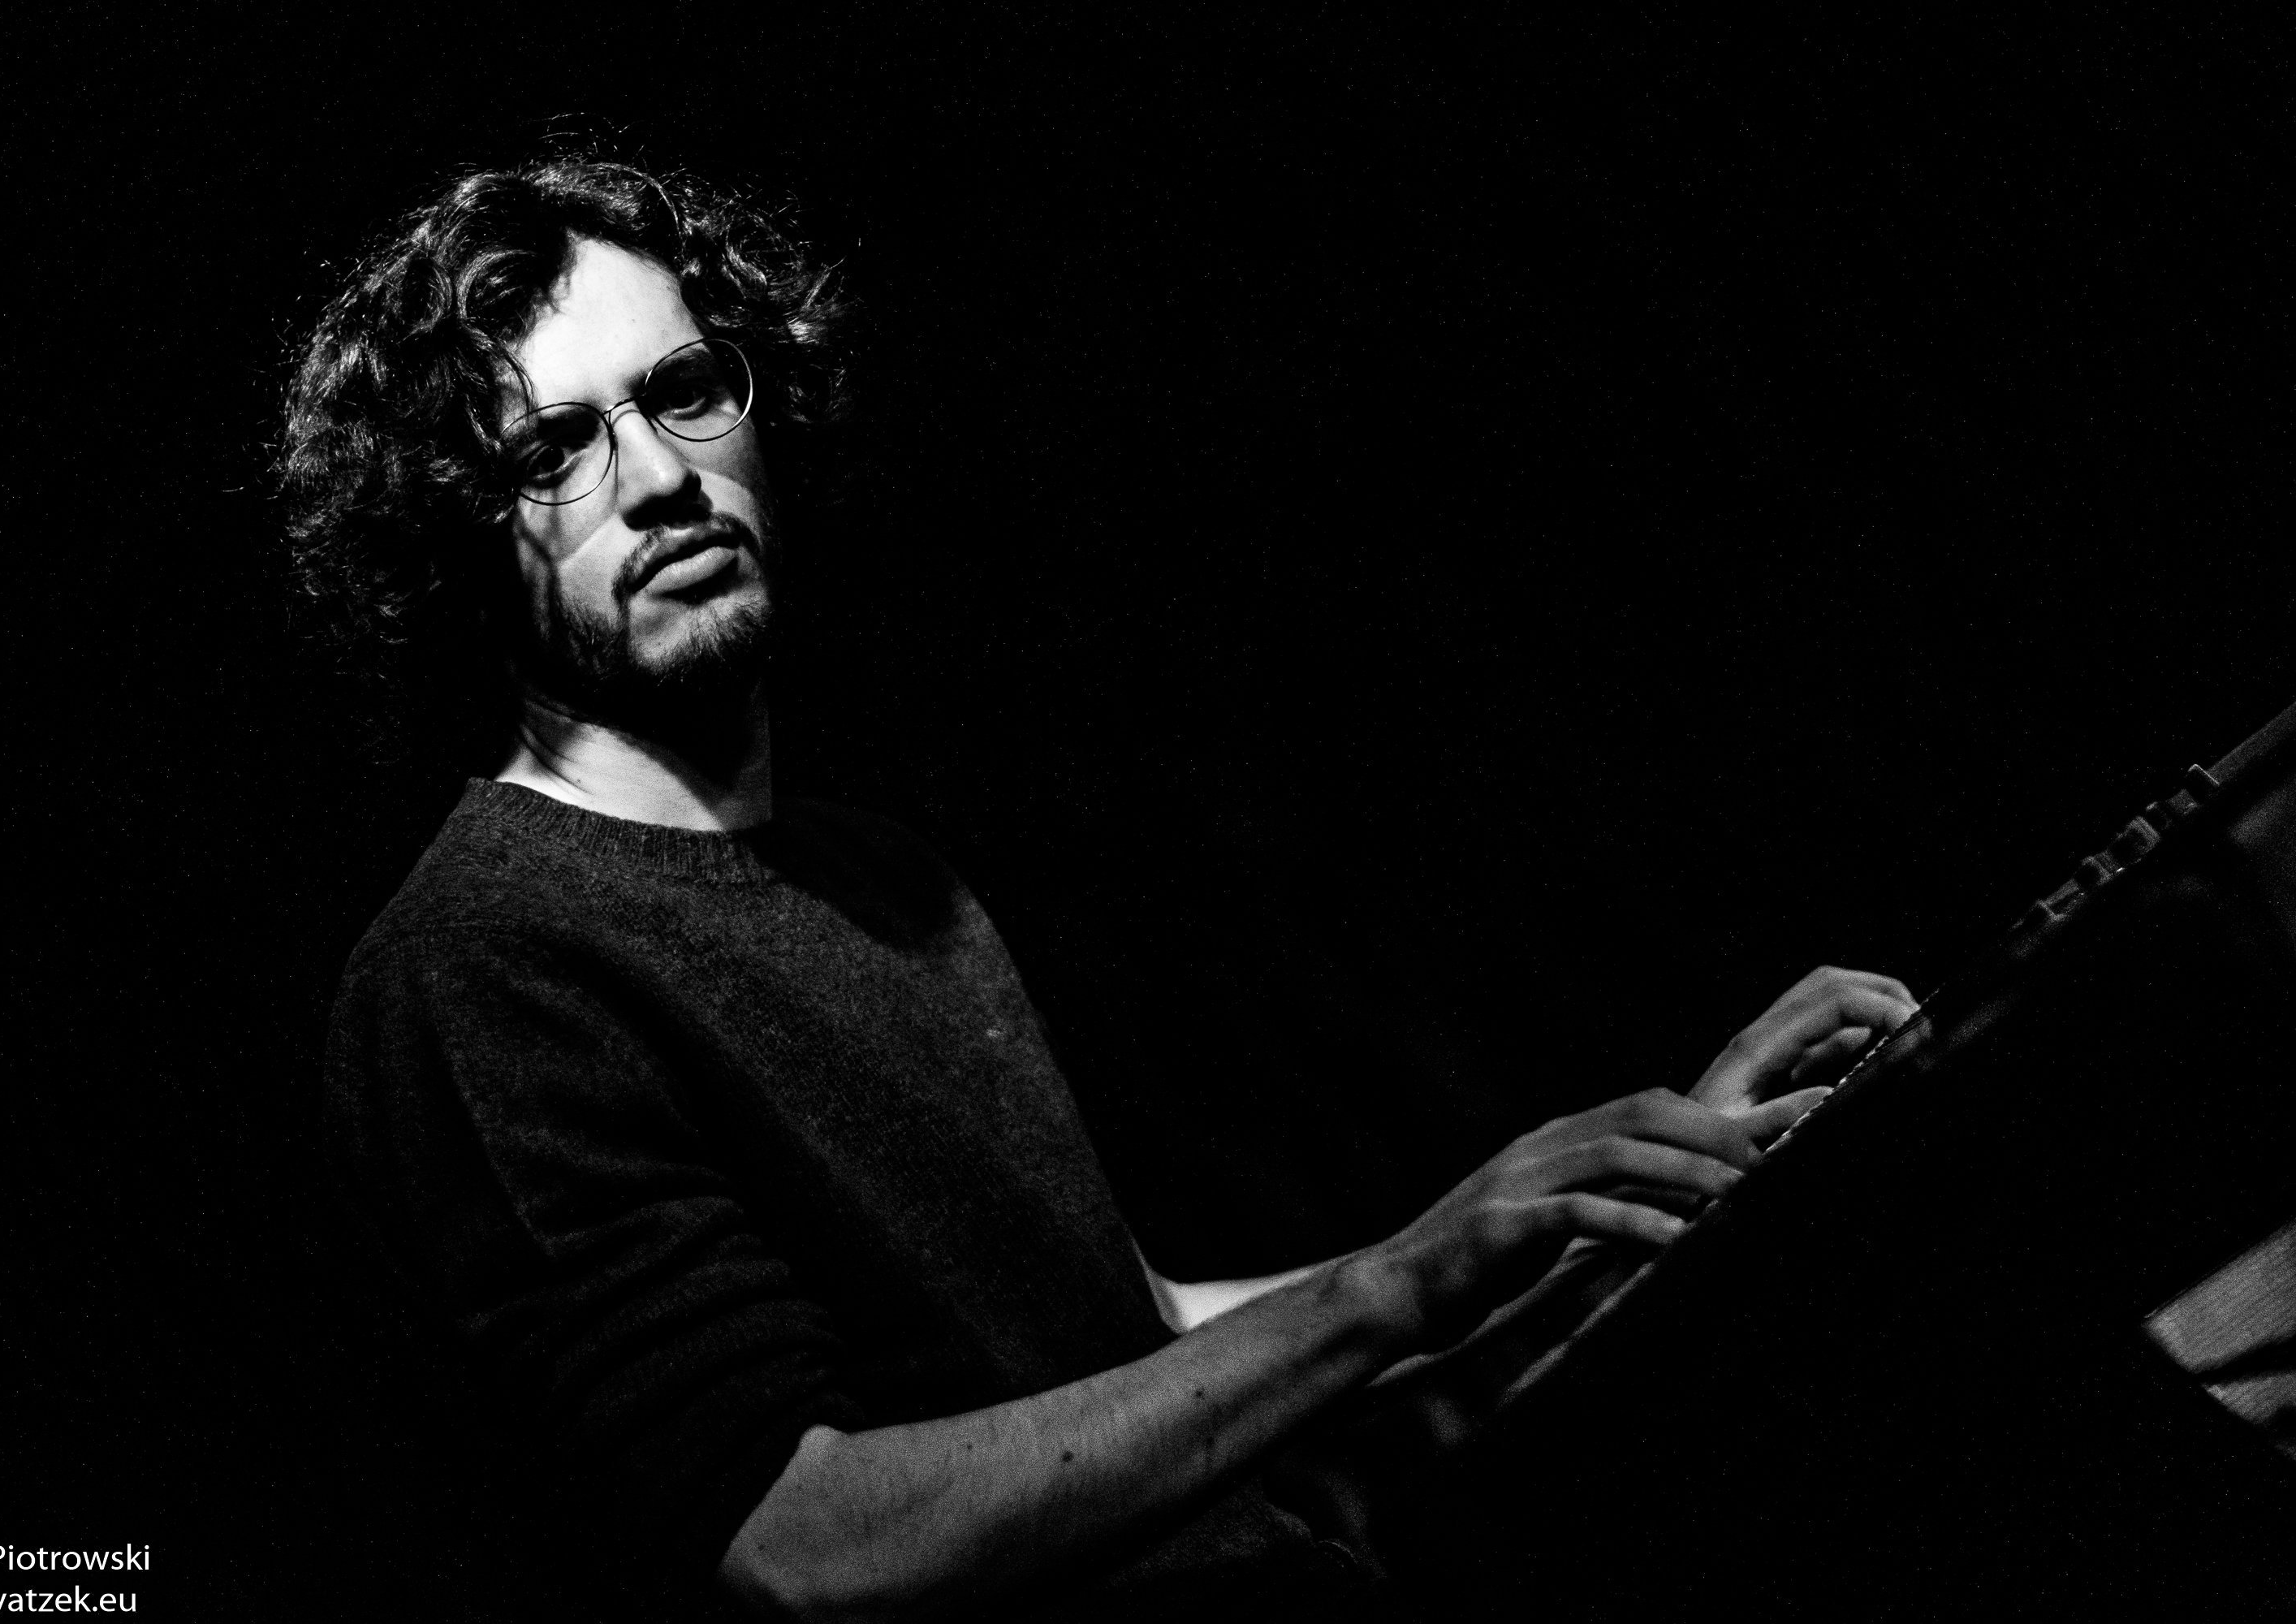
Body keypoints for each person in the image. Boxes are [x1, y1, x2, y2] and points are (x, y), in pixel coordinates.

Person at [280, 156, 1920, 1622]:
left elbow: (1133, 1346)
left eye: (687, 390)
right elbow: (800, 1543)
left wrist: (1622, 1190)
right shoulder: (485, 960)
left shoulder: (883, 876)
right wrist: (1394, 1282)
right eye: (558, 447)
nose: (657, 475)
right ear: (451, 538)